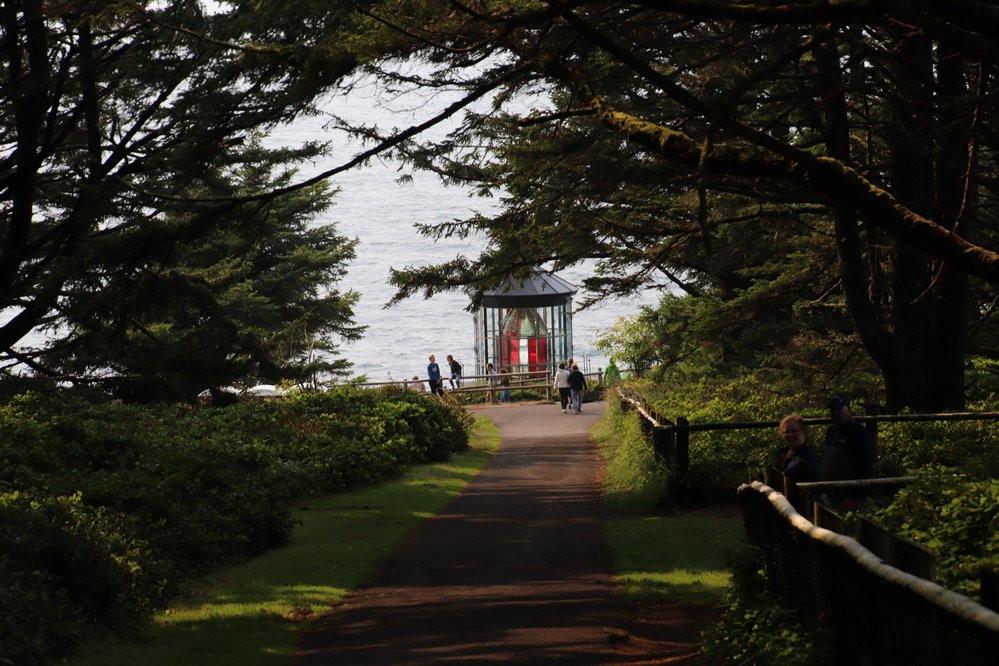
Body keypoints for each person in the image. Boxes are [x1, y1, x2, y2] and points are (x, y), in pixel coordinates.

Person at [821, 394, 874, 509]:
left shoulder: (859, 433)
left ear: (849, 410)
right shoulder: (830, 431)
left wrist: (854, 497)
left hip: (848, 495)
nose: (834, 413)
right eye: (832, 410)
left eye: (839, 409)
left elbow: (865, 466)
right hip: (829, 493)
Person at [774, 413, 818, 483]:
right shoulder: (783, 453)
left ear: (803, 432)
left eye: (794, 431)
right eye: (787, 432)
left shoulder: (808, 457)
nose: (790, 435)